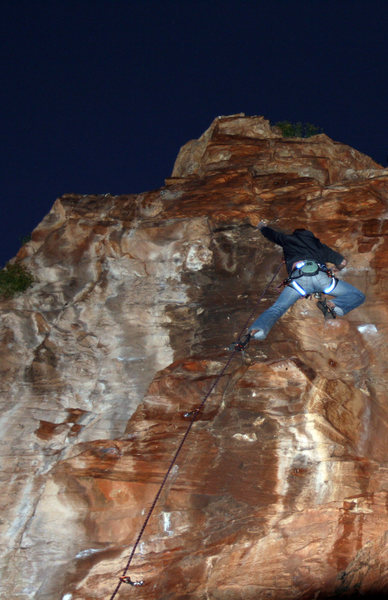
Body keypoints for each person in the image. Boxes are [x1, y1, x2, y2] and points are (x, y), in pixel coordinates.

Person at [249, 223, 365, 340]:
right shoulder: (319, 245)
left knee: (278, 308)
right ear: (311, 236)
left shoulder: (287, 239)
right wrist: (336, 269)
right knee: (357, 295)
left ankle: (258, 330)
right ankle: (335, 304)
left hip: (299, 281)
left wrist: (262, 227)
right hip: (321, 278)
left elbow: (271, 234)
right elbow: (343, 262)